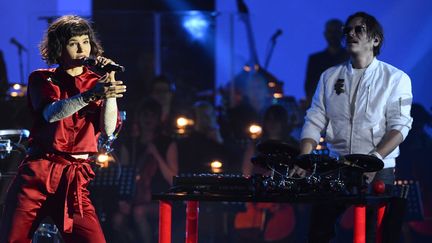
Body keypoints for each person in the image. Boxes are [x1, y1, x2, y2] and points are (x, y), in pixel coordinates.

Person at [0, 15, 126, 243]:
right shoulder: (42, 78)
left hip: (74, 178)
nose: (82, 49)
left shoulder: (96, 81)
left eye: (85, 42)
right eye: (73, 43)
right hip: (38, 174)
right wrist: (91, 95)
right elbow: (51, 114)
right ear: (59, 48)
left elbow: (108, 130)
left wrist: (109, 90)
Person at [292, 12, 413, 242]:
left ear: (375, 40)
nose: (351, 33)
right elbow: (315, 118)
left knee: (374, 235)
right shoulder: (330, 76)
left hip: (378, 168)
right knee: (319, 231)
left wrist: (374, 160)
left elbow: (400, 126)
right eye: (347, 30)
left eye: (359, 29)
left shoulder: (395, 78)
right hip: (337, 164)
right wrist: (304, 157)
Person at [304, 19, 349, 108]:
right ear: (325, 34)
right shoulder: (315, 60)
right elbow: (309, 87)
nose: (333, 35)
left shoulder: (351, 58)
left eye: (336, 31)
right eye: (330, 32)